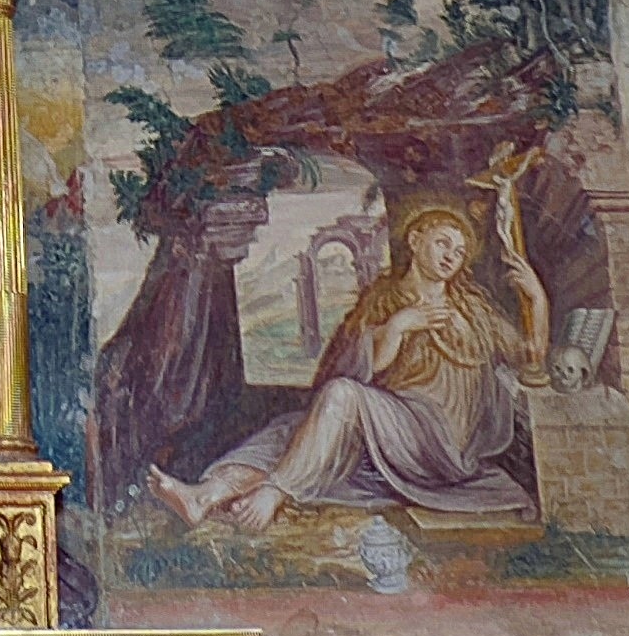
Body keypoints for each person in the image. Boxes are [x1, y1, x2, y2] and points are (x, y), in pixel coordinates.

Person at [150, 169, 548, 531]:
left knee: (341, 397)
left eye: (459, 252)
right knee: (291, 430)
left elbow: (530, 356)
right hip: (394, 429)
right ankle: (205, 494)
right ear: (414, 239)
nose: (450, 256)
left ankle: (276, 491)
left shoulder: (473, 309)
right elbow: (353, 370)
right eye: (443, 242)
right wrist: (395, 328)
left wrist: (536, 299)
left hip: (439, 443)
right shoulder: (382, 301)